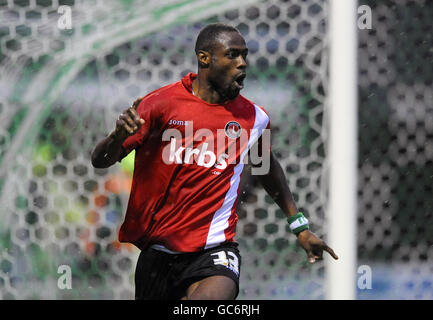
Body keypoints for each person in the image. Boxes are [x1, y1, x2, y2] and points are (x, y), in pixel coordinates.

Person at [91, 23, 338, 300]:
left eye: (244, 55)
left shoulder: (253, 118)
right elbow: (100, 161)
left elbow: (265, 165)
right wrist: (116, 137)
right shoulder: (160, 104)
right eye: (232, 55)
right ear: (204, 58)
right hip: (158, 253)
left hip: (215, 251)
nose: (242, 63)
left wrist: (299, 226)